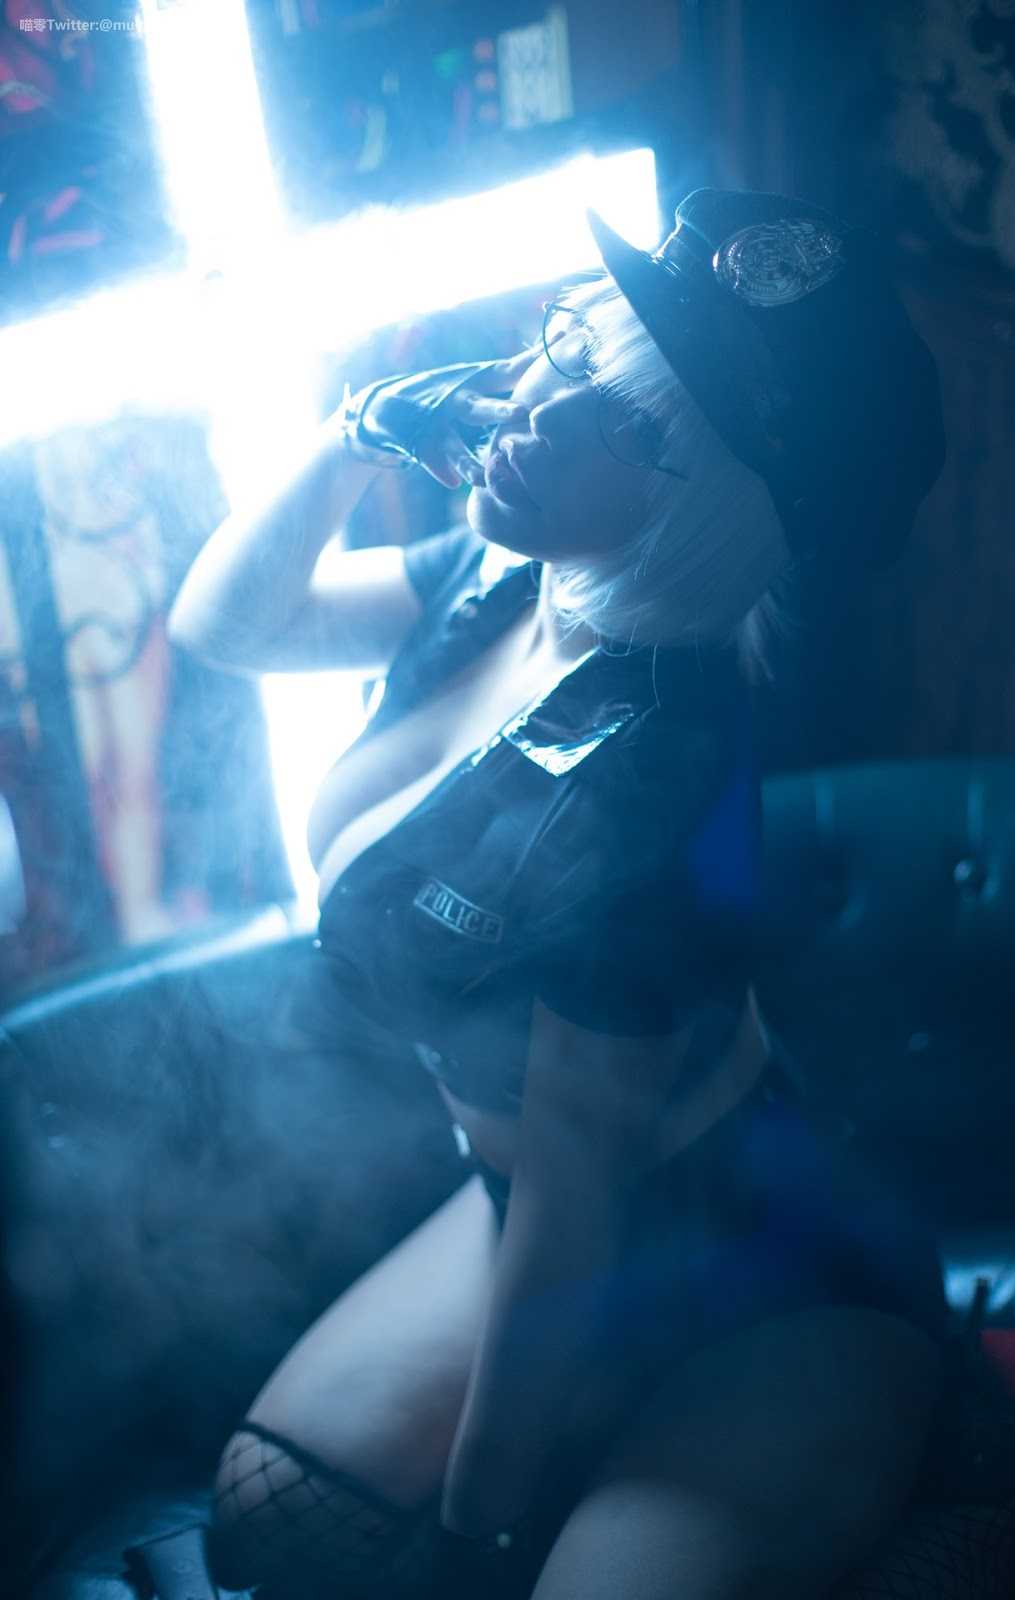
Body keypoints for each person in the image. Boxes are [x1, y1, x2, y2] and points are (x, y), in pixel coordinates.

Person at [166, 188, 950, 1600]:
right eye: (575, 352)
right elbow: (229, 626)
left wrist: (480, 1532)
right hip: (521, 1196)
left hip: (757, 1261)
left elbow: (577, 1205)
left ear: (707, 521)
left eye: (635, 430)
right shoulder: (504, 577)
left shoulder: (663, 771)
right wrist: (358, 429)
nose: (547, 411)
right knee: (277, 1517)